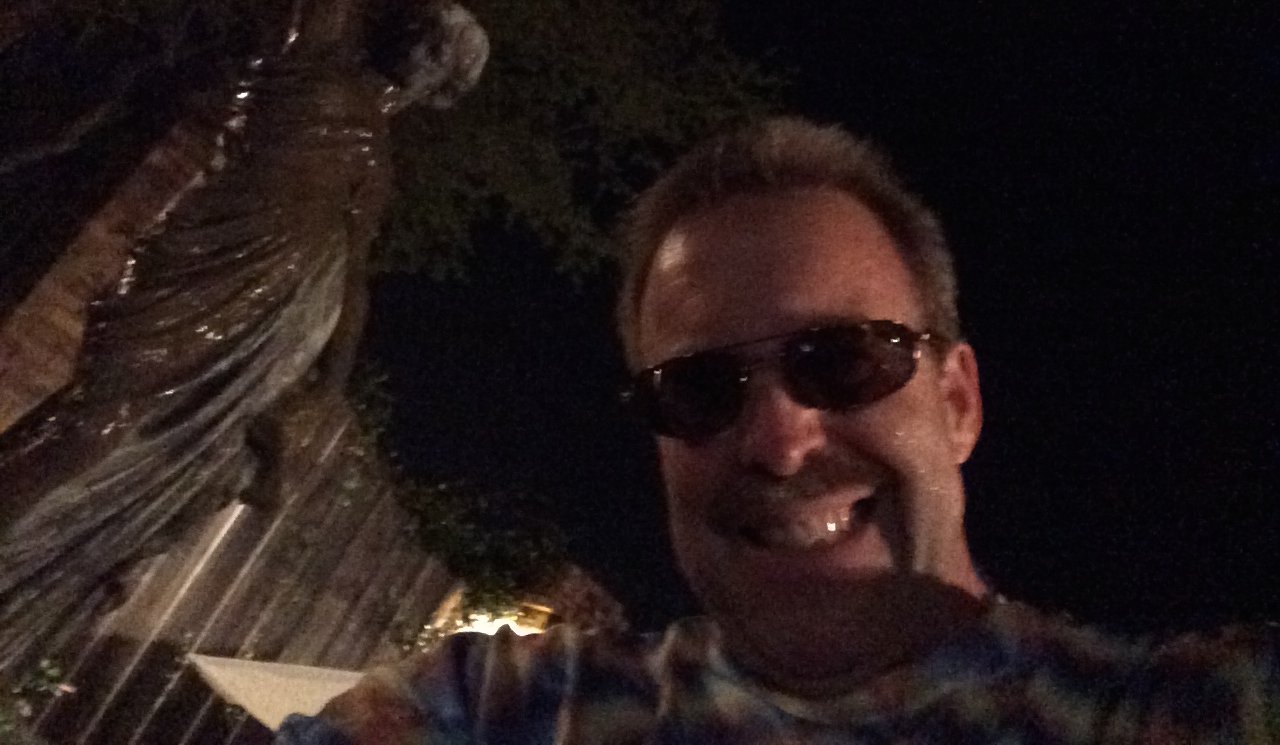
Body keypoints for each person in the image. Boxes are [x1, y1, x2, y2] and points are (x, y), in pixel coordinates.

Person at [278, 117, 1279, 744]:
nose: (779, 439)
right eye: (697, 388)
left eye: (842, 359)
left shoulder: (1186, 711)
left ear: (957, 401)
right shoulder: (496, 715)